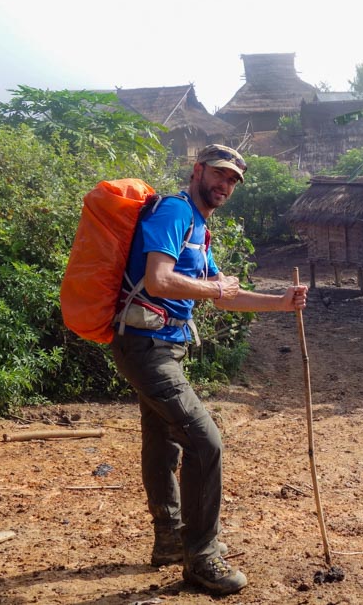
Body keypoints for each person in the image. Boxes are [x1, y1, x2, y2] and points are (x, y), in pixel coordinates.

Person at [110, 144, 308, 595]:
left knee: (163, 443)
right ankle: (201, 556)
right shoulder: (176, 213)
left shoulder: (199, 228)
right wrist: (212, 287)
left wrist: (279, 302)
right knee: (204, 441)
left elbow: (225, 294)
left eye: (233, 180)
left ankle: (168, 542)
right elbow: (159, 279)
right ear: (198, 170)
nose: (225, 185)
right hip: (145, 347)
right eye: (219, 174)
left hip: (162, 346)